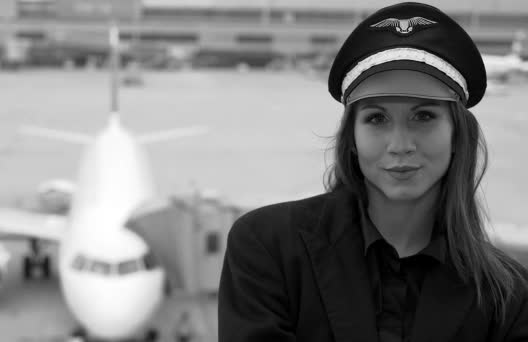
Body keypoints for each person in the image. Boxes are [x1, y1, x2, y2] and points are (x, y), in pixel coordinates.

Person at [218, 2, 528, 342]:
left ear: (457, 135)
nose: (400, 144)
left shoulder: (507, 294)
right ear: (351, 138)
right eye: (376, 118)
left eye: (423, 116)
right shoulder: (267, 248)